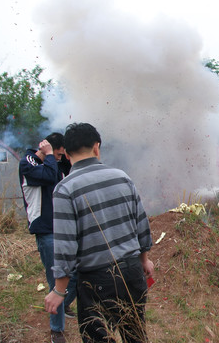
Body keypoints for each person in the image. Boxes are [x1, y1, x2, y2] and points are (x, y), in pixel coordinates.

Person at [44, 123, 154, 343]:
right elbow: (141, 224)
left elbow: (66, 246)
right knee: (135, 336)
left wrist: (59, 290)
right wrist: (144, 260)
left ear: (66, 153)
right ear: (97, 147)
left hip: (96, 280)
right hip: (132, 273)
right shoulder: (122, 177)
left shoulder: (65, 189)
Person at [19, 133, 77, 343]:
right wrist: (50, 155)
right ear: (46, 150)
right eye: (57, 154)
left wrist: (68, 159)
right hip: (46, 230)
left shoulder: (56, 164)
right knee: (56, 279)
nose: (59, 159)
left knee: (77, 274)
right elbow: (49, 176)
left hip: (65, 227)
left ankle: (63, 304)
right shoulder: (28, 163)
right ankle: (56, 330)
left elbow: (69, 177)